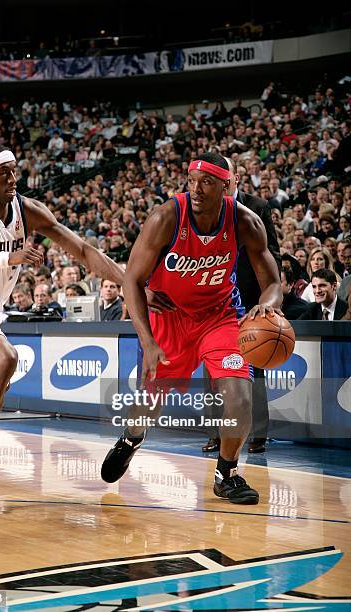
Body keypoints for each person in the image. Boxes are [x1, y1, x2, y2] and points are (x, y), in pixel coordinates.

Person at [0, 143, 123, 505]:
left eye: (14, 169)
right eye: (3, 172)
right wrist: (4, 257)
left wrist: (134, 288)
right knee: (4, 360)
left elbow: (85, 252)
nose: (13, 178)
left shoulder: (27, 210)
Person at [101, 153, 282, 505]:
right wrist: (148, 341)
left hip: (221, 316)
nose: (196, 189)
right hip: (170, 318)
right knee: (150, 401)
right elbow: (132, 281)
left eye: (207, 182)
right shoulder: (166, 217)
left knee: (239, 396)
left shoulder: (246, 221)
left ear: (227, 187)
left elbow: (273, 282)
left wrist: (268, 305)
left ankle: (227, 473)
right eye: (192, 180)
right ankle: (131, 438)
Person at [202, 157, 281, 455]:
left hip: (248, 298)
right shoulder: (202, 208)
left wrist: (268, 300)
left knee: (254, 365)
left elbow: (271, 253)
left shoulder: (257, 206)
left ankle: (258, 433)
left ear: (234, 178)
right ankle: (216, 433)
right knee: (212, 370)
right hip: (213, 300)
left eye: (224, 176)